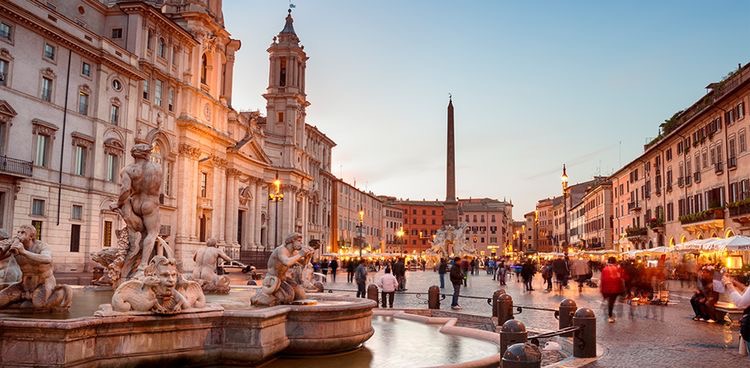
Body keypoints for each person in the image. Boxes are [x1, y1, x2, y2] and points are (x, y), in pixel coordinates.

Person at [110, 143, 163, 277]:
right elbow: (157, 187)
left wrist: (118, 203)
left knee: (140, 233)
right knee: (152, 233)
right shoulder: (157, 168)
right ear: (147, 154)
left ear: (134, 155)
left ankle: (131, 259)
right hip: (150, 204)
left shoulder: (127, 170)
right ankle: (142, 266)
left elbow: (125, 190)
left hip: (135, 203)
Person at [0, 225, 71, 310]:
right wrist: (5, 247)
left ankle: (60, 293)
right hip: (24, 284)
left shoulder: (41, 246)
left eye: (23, 232)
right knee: (1, 300)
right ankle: (23, 299)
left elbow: (47, 259)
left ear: (31, 236)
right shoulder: (16, 247)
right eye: (18, 232)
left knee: (38, 305)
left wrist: (24, 252)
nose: (19, 234)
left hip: (44, 282)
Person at [250, 232, 311, 306]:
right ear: (292, 240)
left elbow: (304, 263)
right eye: (299, 241)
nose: (301, 243)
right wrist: (300, 254)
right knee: (288, 297)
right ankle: (262, 295)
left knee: (301, 295)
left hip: (283, 279)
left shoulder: (294, 252)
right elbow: (287, 262)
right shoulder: (281, 250)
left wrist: (308, 256)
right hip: (273, 279)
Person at [600, 257, 624, 323]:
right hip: (615, 289)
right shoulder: (618, 269)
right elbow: (621, 279)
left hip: (606, 289)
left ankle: (610, 314)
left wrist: (602, 290)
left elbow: (602, 280)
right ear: (615, 262)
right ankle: (610, 316)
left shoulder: (605, 269)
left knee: (610, 302)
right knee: (611, 302)